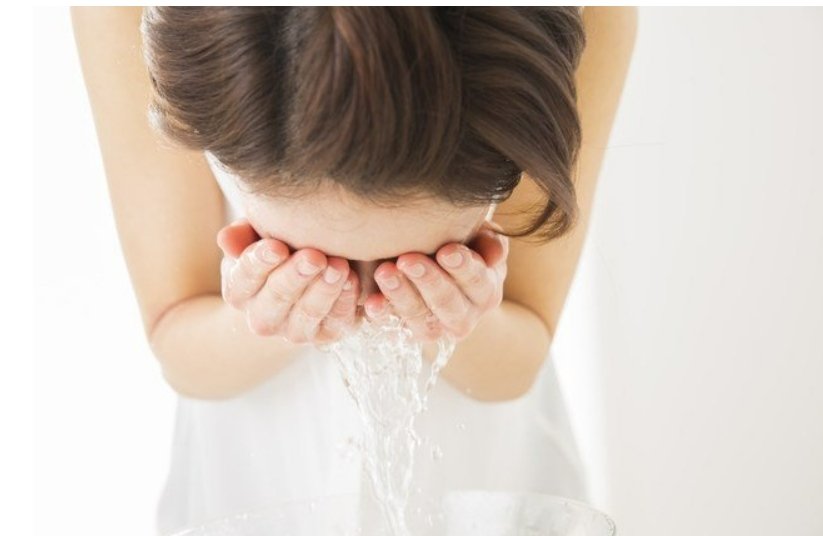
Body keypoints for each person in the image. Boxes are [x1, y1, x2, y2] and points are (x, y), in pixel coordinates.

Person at [71, 6, 637, 535]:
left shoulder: (567, 26)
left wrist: (449, 315)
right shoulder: (129, 17)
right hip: (248, 479)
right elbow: (177, 342)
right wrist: (270, 315)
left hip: (497, 483)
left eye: (419, 258)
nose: (367, 303)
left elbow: (521, 356)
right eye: (306, 255)